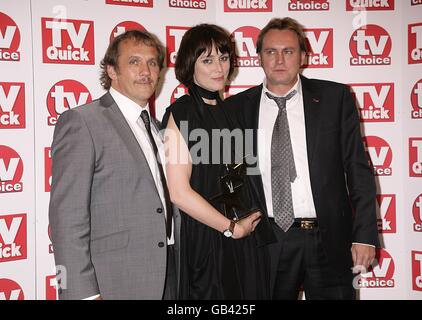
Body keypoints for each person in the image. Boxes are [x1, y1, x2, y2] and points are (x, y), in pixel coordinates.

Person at [225, 17, 380, 300]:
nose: (279, 59)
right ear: (258, 58)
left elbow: (358, 171)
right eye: (271, 52)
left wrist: (365, 235)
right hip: (266, 240)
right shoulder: (235, 109)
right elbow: (229, 178)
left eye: (289, 51)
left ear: (303, 57)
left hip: (329, 239)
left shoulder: (335, 98)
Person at [49, 30, 179, 300]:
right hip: (115, 281)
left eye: (152, 63)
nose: (146, 71)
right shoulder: (82, 122)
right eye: (134, 62)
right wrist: (82, 294)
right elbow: (67, 218)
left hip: (168, 275)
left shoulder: (156, 127)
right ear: (112, 70)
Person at [162, 24, 275, 299]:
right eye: (208, 60)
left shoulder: (234, 112)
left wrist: (245, 227)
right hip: (209, 238)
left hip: (246, 236)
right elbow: (178, 192)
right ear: (190, 65)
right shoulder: (179, 114)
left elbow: (242, 176)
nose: (218, 68)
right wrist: (229, 229)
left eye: (223, 58)